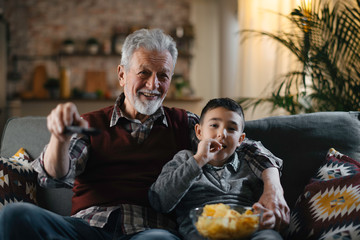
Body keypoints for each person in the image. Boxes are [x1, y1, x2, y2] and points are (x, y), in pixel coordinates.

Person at [0, 29, 289, 240]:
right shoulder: (90, 124)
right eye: (144, 72)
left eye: (163, 75)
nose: (153, 84)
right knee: (14, 216)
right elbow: (52, 176)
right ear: (122, 74)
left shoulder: (185, 123)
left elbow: (241, 145)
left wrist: (272, 187)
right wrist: (60, 139)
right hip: (88, 228)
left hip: (150, 230)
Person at [149, 98, 285, 239]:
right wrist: (199, 160)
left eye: (231, 128)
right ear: (199, 132)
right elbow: (159, 201)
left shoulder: (249, 164)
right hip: (202, 232)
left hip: (245, 231)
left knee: (270, 236)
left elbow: (263, 206)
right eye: (214, 125)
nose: (222, 134)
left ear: (240, 140)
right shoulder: (184, 159)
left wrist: (266, 216)